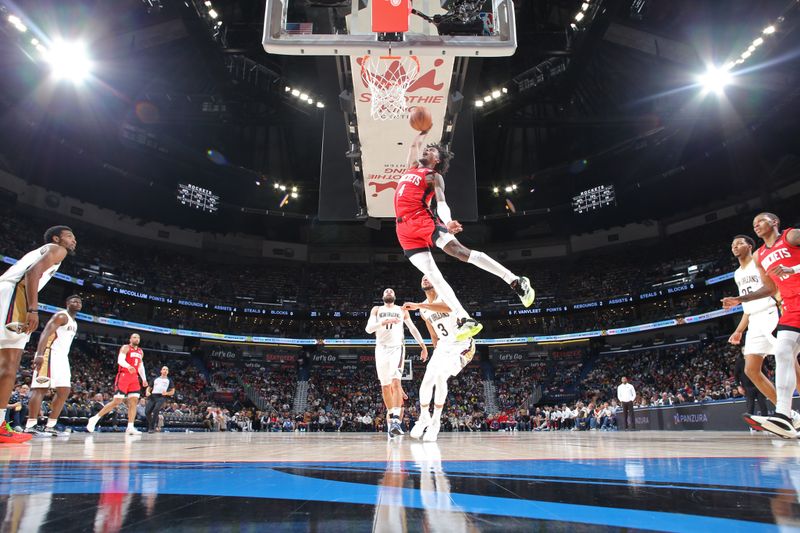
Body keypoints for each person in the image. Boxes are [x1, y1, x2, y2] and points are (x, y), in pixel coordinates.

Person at [393, 131, 535, 341]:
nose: (426, 150)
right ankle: (464, 318)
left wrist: (448, 221)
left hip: (422, 219)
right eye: (426, 149)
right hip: (403, 230)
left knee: (459, 252)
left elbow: (441, 202)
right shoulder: (411, 168)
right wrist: (420, 133)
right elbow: (413, 147)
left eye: (431, 150)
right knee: (433, 276)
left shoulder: (434, 176)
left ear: (437, 159)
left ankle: (515, 281)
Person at [723, 212, 800, 438]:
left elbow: (771, 293)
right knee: (774, 359)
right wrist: (739, 301)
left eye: (761, 221)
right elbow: (767, 288)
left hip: (772, 311)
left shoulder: (791, 236)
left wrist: (793, 270)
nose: (756, 225)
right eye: (753, 222)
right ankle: (785, 416)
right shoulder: (758, 258)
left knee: (789, 358)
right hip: (785, 309)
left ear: (775, 222)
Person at [0, 225, 76, 443]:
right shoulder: (56, 249)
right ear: (57, 238)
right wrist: (33, 309)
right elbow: (32, 274)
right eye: (70, 236)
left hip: (6, 291)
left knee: (5, 364)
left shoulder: (43, 251)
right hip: (15, 295)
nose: (74, 241)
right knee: (9, 364)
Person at [404, 276, 477, 442]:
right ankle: (424, 417)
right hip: (443, 346)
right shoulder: (423, 310)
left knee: (440, 376)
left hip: (462, 344)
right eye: (422, 277)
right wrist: (434, 350)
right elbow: (433, 333)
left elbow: (448, 307)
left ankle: (435, 422)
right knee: (427, 380)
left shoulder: (445, 296)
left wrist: (419, 305)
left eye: (428, 276)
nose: (424, 278)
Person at [365, 288, 427, 438]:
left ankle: (395, 422)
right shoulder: (377, 309)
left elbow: (412, 328)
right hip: (380, 349)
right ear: (382, 296)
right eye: (386, 291)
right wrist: (384, 321)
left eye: (391, 291)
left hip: (396, 348)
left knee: (395, 382)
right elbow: (368, 329)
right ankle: (392, 419)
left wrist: (423, 346)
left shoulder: (401, 309)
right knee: (385, 386)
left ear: (394, 296)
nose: (388, 292)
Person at [24, 295, 82, 437]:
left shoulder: (74, 322)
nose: (78, 303)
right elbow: (45, 333)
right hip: (50, 354)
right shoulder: (61, 316)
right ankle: (30, 425)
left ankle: (50, 426)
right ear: (67, 303)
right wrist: (39, 354)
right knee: (41, 388)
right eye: (74, 301)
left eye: (80, 302)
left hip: (62, 358)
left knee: (64, 391)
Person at [86, 333, 148, 434]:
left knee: (133, 402)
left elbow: (141, 366)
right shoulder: (125, 347)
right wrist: (128, 366)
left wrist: (144, 379)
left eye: (138, 337)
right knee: (117, 401)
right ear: (130, 339)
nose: (137, 339)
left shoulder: (140, 351)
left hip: (134, 378)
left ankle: (130, 427)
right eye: (134, 337)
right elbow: (120, 360)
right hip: (124, 375)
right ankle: (94, 419)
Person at [145, 365, 174, 433]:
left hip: (161, 397)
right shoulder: (155, 379)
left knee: (156, 409)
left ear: (168, 372)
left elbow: (172, 391)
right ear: (161, 371)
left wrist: (166, 393)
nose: (165, 371)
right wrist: (147, 391)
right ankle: (152, 425)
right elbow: (149, 387)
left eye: (166, 370)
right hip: (153, 396)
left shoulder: (169, 380)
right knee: (147, 412)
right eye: (164, 369)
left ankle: (151, 427)